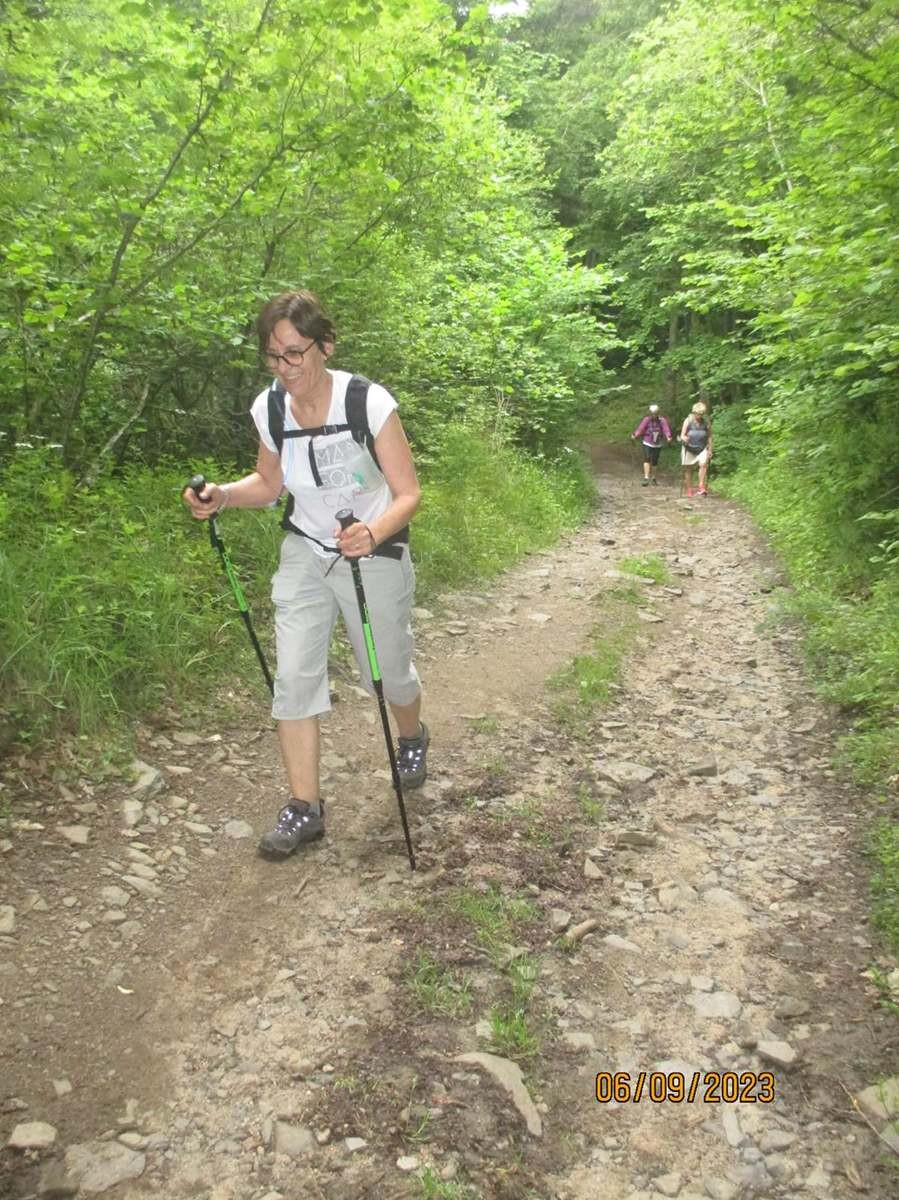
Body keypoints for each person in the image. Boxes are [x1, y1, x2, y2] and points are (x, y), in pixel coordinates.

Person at [183, 290, 428, 859]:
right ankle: (305, 807)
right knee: (293, 677)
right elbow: (268, 486)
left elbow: (409, 493)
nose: (285, 367)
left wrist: (373, 532)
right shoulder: (270, 408)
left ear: (325, 346)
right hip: (306, 551)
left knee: (385, 673)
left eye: (295, 353)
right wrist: (222, 495)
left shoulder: (366, 402)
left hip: (373, 551)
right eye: (273, 356)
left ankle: (412, 735)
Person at [631, 403, 673, 486]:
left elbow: (666, 429)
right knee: (647, 458)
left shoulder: (662, 420)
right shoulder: (647, 419)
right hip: (647, 442)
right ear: (650, 413)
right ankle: (646, 477)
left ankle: (654, 478)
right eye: (652, 413)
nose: (654, 415)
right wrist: (635, 435)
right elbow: (641, 428)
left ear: (658, 413)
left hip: (658, 443)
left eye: (655, 413)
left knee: (655, 461)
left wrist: (668, 436)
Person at [679, 400, 713, 497]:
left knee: (703, 465)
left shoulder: (706, 422)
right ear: (694, 412)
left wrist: (710, 449)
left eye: (701, 414)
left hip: (701, 448)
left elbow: (710, 436)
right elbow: (682, 435)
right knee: (688, 468)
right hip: (689, 448)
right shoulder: (688, 420)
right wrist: (684, 438)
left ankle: (701, 486)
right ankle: (689, 489)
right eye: (697, 414)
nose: (699, 416)